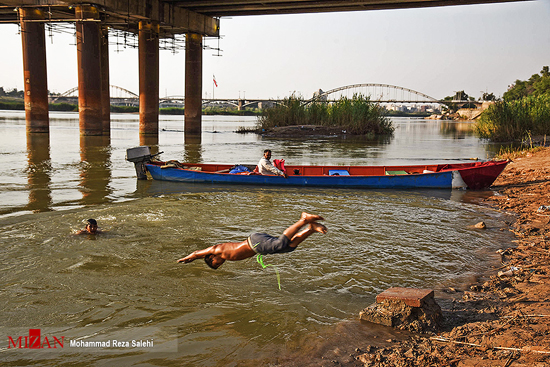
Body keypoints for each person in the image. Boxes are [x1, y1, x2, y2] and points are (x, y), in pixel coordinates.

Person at [177, 212, 327, 269]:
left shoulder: (217, 250)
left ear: (212, 258)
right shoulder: (220, 255)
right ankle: (311, 228)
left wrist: (188, 258)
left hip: (255, 244)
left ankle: (303, 220)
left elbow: (198, 253)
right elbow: (199, 256)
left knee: (280, 243)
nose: (220, 264)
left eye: (216, 264)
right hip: (256, 243)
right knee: (287, 247)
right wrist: (194, 260)